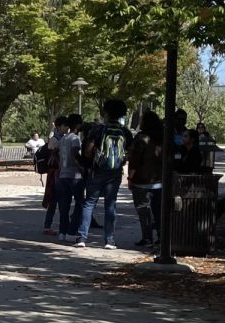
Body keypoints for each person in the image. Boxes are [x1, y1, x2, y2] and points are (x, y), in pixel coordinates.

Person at [76, 98, 132, 250]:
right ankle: (109, 240)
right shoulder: (125, 131)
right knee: (110, 204)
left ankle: (82, 237)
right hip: (115, 172)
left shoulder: (98, 129)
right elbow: (129, 153)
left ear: (105, 113)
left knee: (89, 203)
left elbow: (87, 152)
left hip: (97, 170)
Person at [128, 109, 163, 247]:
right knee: (158, 211)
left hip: (142, 180)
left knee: (143, 210)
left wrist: (130, 178)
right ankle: (161, 237)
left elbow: (135, 160)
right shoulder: (162, 138)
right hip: (159, 181)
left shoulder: (141, 139)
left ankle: (147, 237)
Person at [55, 114, 85, 243]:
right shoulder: (75, 139)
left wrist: (61, 164)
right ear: (77, 125)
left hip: (63, 174)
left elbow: (55, 152)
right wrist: (81, 167)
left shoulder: (63, 139)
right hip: (75, 175)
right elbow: (75, 154)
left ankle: (62, 231)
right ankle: (72, 231)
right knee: (80, 203)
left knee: (64, 205)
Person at [39, 116, 66, 236]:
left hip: (59, 172)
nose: (67, 128)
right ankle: (48, 226)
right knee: (54, 200)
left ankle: (58, 225)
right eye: (65, 126)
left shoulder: (62, 138)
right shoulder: (54, 140)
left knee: (58, 201)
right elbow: (52, 157)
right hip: (55, 173)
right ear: (59, 126)